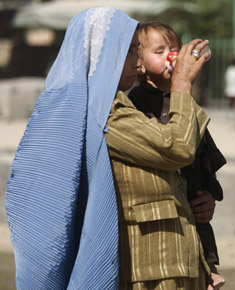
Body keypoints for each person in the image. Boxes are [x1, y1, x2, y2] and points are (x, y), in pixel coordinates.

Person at [5, 8, 140, 289]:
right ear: (101, 55)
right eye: (128, 52)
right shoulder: (70, 110)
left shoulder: (125, 105)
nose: (138, 64)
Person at [126, 22, 226, 289]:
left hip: (193, 210)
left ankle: (210, 267)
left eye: (174, 49)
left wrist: (210, 195)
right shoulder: (135, 103)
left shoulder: (183, 99)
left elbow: (205, 156)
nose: (171, 56)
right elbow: (170, 150)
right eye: (159, 51)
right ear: (140, 63)